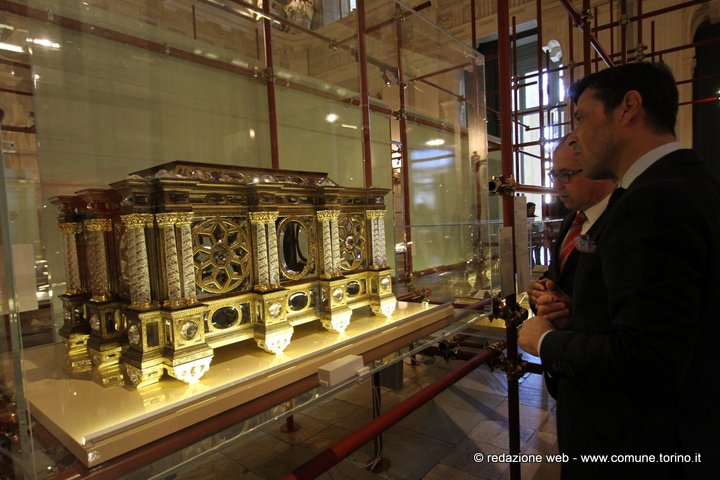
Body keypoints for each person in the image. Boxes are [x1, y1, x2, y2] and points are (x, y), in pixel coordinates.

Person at [519, 61, 720, 480]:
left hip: (639, 442)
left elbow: (649, 357)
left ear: (629, 107)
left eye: (581, 117)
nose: (576, 134)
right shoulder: (689, 181)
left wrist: (545, 341)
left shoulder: (652, 200)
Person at [526, 135, 616, 317]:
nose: (557, 186)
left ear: (599, 172)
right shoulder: (571, 220)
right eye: (554, 175)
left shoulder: (626, 220)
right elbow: (558, 277)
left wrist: (572, 311)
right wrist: (540, 293)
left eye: (566, 175)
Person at [526, 202, 543, 267]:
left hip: (536, 239)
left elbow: (540, 228)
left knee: (538, 256)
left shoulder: (536, 218)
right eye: (532, 208)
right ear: (527, 209)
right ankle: (533, 268)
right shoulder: (524, 218)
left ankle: (539, 268)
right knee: (530, 257)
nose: (534, 210)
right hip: (529, 240)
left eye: (534, 208)